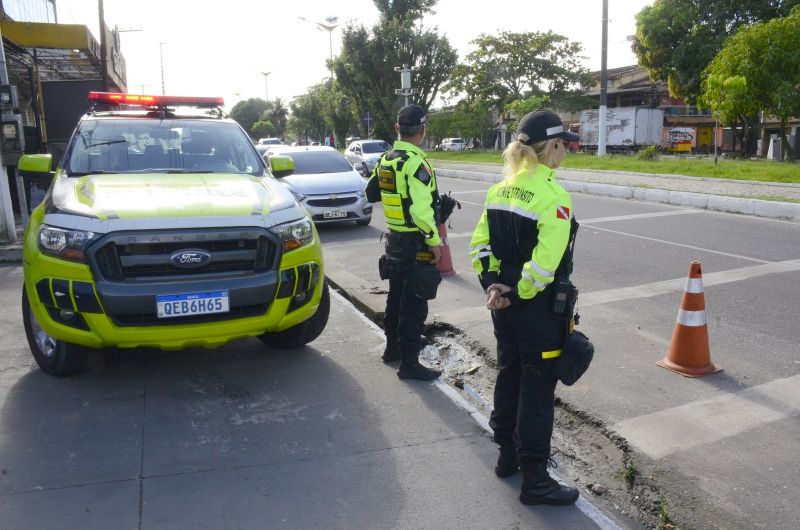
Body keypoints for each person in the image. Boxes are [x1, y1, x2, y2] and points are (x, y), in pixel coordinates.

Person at [469, 110, 580, 506]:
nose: (566, 150)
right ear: (551, 148)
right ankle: (535, 481)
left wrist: (493, 288)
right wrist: (518, 292)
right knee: (537, 391)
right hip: (536, 310)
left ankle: (507, 457)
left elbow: (478, 247)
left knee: (509, 374)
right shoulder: (553, 196)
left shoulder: (500, 189)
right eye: (563, 143)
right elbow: (544, 267)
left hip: (504, 306)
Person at [365, 104, 443, 381]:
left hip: (394, 240)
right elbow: (422, 212)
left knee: (396, 297)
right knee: (415, 303)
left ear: (398, 129)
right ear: (423, 130)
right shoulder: (416, 163)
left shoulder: (387, 159)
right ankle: (410, 364)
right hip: (416, 242)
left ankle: (392, 348)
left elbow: (371, 192)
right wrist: (435, 242)